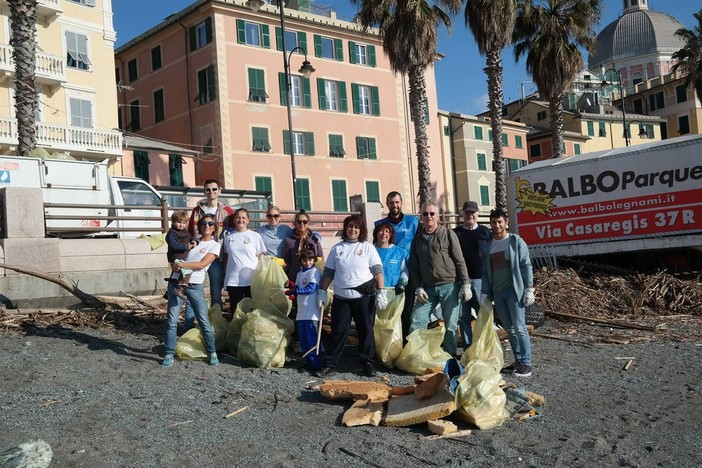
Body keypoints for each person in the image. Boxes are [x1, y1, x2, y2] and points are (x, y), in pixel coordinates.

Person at [315, 214, 385, 378]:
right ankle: (330, 363)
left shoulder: (367, 247)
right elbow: (328, 272)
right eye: (350, 227)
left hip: (364, 297)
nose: (353, 230)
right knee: (338, 331)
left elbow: (377, 270)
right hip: (342, 298)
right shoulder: (337, 248)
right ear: (345, 229)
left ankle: (367, 362)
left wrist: (381, 291)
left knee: (366, 330)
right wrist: (322, 291)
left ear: (361, 230)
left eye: (356, 227)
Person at [409, 201, 472, 357]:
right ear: (421, 217)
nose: (429, 217)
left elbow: (459, 259)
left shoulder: (448, 234)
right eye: (425, 214)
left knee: (450, 324)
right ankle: (419, 355)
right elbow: (414, 267)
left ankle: (449, 356)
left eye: (432, 213)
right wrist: (418, 287)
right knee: (417, 320)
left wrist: (465, 283)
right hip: (427, 288)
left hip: (450, 285)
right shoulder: (417, 240)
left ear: (437, 216)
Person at [480, 208, 535, 378]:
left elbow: (526, 264)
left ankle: (526, 363)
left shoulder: (515, 241)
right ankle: (517, 361)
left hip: (514, 291)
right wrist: (484, 292)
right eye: (494, 222)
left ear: (506, 222)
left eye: (500, 222)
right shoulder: (488, 245)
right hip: (498, 292)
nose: (497, 225)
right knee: (509, 329)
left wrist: (529, 288)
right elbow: (486, 270)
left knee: (519, 327)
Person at [162, 214, 221, 367]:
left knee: (203, 320)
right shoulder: (192, 241)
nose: (206, 226)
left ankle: (212, 351)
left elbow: (202, 265)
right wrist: (176, 265)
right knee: (172, 321)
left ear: (214, 227)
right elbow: (174, 254)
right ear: (199, 226)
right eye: (203, 223)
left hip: (195, 285)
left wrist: (181, 265)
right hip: (176, 281)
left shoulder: (214, 245)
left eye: (210, 223)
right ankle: (169, 352)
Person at [374, 191, 419, 340]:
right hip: (386, 277)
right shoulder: (380, 225)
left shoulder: (413, 222)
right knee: (384, 313)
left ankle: (404, 342)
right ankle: (384, 345)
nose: (394, 205)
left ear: (401, 203)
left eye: (397, 202)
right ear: (387, 204)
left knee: (406, 311)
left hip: (408, 272)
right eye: (391, 202)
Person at [187, 179, 234, 312]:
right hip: (199, 253)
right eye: (208, 189)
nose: (211, 192)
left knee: (215, 291)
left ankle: (215, 320)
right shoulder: (197, 210)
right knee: (194, 288)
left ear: (219, 190)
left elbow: (233, 231)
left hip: (217, 256)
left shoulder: (227, 211)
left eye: (214, 189)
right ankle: (192, 323)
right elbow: (191, 230)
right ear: (204, 191)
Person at [453, 201, 491, 350]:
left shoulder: (485, 232)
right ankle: (468, 349)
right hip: (461, 282)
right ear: (463, 214)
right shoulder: (456, 233)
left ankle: (484, 347)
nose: (470, 215)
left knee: (483, 315)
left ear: (477, 214)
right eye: (467, 213)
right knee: (464, 317)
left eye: (473, 213)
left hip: (481, 281)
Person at [222, 208, 266, 309]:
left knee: (252, 311)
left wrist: (262, 276)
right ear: (233, 220)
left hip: (252, 279)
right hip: (233, 280)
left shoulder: (255, 236)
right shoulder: (228, 236)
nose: (240, 220)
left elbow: (261, 257)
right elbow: (226, 257)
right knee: (236, 311)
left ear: (248, 220)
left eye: (243, 218)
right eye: (237, 217)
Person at [294, 248, 323, 372]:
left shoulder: (314, 271)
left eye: (310, 260)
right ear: (301, 261)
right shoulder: (300, 274)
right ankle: (308, 361)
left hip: (312, 312)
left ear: (314, 260)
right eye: (305, 260)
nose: (308, 263)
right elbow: (296, 287)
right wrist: (291, 290)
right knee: (303, 338)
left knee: (313, 338)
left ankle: (317, 363)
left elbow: (311, 288)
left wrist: (297, 291)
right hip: (301, 312)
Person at [281, 210, 324, 282]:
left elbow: (320, 256)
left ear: (308, 223)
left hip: (313, 277)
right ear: (294, 223)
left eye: (304, 222)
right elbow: (286, 261)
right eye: (299, 222)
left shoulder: (314, 239)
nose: (302, 224)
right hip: (296, 278)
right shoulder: (289, 241)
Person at [165, 210, 198, 300]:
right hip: (176, 256)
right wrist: (186, 246)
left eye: (184, 223)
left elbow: (191, 238)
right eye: (179, 222)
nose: (181, 225)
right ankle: (180, 288)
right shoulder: (172, 233)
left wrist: (195, 242)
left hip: (183, 256)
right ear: (173, 222)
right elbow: (174, 245)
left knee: (176, 274)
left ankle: (170, 289)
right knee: (187, 271)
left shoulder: (185, 231)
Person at [373, 222, 408, 294]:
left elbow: (404, 270)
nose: (384, 233)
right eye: (381, 230)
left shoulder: (399, 252)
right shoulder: (369, 250)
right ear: (376, 233)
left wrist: (402, 283)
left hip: (394, 291)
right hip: (374, 291)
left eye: (387, 231)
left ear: (391, 235)